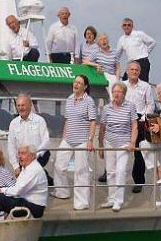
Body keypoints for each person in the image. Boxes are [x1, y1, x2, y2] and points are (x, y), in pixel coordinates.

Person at [53, 75, 97, 210]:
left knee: (80, 171)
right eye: (75, 82)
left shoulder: (89, 101)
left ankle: (82, 202)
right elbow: (67, 119)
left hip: (82, 140)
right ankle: (62, 192)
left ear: (85, 86)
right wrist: (64, 137)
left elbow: (93, 121)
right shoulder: (69, 98)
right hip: (68, 139)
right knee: (59, 165)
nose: (76, 84)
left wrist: (90, 140)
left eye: (79, 83)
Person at [0, 145, 48, 221]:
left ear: (32, 156)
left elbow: (17, 191)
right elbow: (16, 187)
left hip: (35, 207)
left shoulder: (34, 170)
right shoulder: (25, 168)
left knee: (0, 198)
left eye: (23, 153)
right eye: (19, 154)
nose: (19, 156)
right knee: (1, 197)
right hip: (26, 202)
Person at [98, 83, 138, 212]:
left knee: (120, 171)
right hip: (109, 142)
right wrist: (100, 145)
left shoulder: (130, 106)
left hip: (124, 144)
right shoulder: (106, 108)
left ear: (124, 93)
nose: (116, 94)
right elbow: (102, 127)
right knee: (110, 172)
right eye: (114, 91)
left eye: (119, 91)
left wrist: (132, 142)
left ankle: (118, 201)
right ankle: (111, 198)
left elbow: (134, 126)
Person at [7, 94, 52, 185]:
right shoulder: (13, 123)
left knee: (30, 174)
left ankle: (45, 179)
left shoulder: (40, 120)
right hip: (23, 158)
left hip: (40, 155)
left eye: (23, 105)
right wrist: (15, 166)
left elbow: (46, 141)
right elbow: (11, 146)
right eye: (18, 105)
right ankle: (47, 179)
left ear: (30, 105)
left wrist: (35, 156)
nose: (20, 108)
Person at [124, 61, 155, 193]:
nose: (134, 71)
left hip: (140, 120)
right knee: (116, 149)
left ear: (139, 72)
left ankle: (138, 181)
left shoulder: (146, 86)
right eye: (132, 69)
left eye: (137, 70)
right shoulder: (122, 85)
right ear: (127, 71)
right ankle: (108, 174)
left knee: (139, 153)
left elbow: (150, 104)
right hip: (124, 120)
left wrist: (143, 118)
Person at [116, 18, 156, 82]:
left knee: (142, 83)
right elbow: (117, 55)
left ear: (132, 26)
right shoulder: (121, 39)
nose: (127, 27)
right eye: (125, 25)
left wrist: (146, 53)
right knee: (125, 80)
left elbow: (152, 42)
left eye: (129, 25)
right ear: (122, 27)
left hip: (142, 62)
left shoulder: (139, 34)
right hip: (131, 63)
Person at [83, 33, 122, 99]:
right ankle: (113, 101)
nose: (103, 41)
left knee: (118, 86)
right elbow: (85, 62)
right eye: (101, 40)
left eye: (105, 39)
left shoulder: (115, 52)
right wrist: (96, 65)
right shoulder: (96, 52)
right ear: (98, 43)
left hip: (112, 75)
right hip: (102, 75)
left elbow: (117, 68)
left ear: (108, 41)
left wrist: (117, 79)